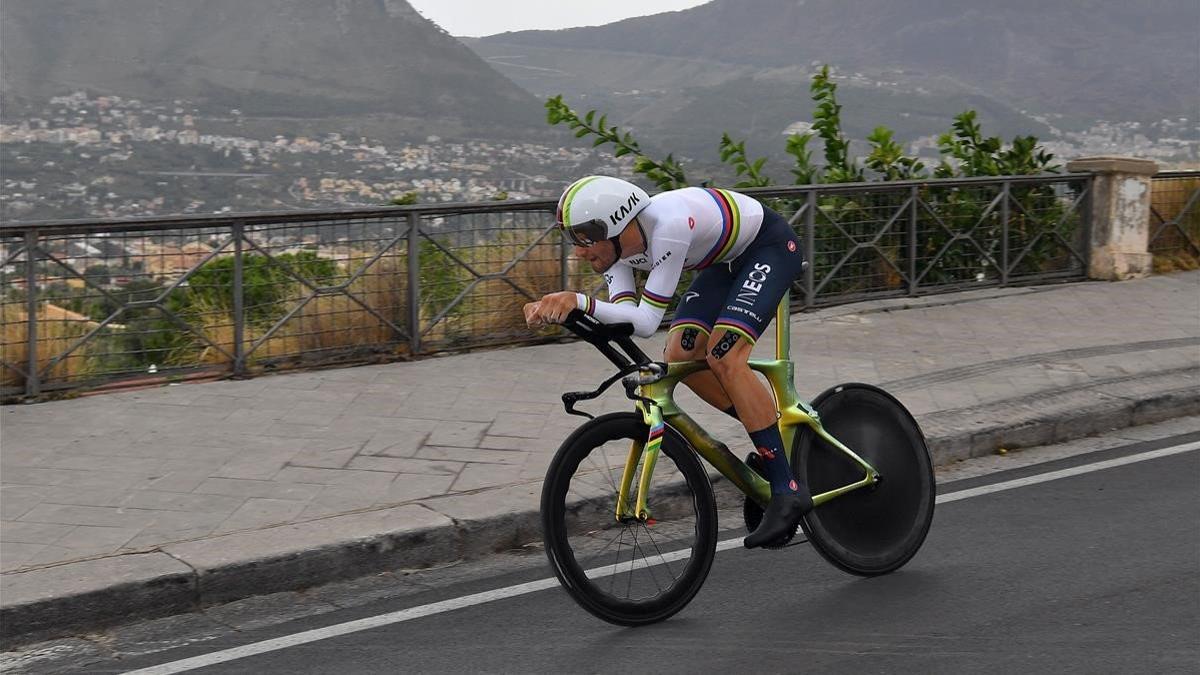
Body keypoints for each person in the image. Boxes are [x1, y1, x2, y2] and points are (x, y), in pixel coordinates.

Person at [523, 175, 812, 548]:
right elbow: (625, 315)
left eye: (584, 238)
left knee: (724, 355)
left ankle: (787, 489)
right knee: (680, 355)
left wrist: (577, 301)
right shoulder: (618, 249)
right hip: (724, 262)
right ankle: (773, 440)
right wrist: (561, 312)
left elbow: (645, 323)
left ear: (616, 224)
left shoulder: (668, 228)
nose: (579, 251)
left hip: (769, 246)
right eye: (573, 240)